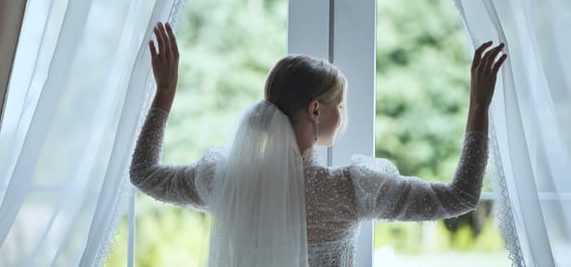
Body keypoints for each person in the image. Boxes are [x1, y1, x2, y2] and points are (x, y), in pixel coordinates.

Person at [130, 22, 508, 266]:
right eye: (339, 104)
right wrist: (479, 107)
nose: (344, 115)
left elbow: (143, 173)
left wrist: (164, 93)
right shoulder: (349, 191)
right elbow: (461, 197)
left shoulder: (227, 183)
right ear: (315, 110)